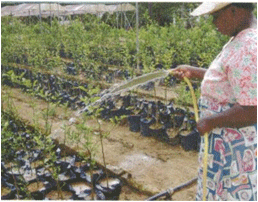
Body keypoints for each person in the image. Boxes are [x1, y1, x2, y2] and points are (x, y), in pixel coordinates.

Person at [172, 2, 257, 201]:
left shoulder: (249, 46)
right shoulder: (239, 39)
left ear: (234, 11)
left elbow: (253, 109)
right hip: (225, 141)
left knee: (232, 190)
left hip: (234, 146)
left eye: (215, 17)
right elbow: (228, 77)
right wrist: (194, 72)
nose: (213, 23)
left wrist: (210, 121)